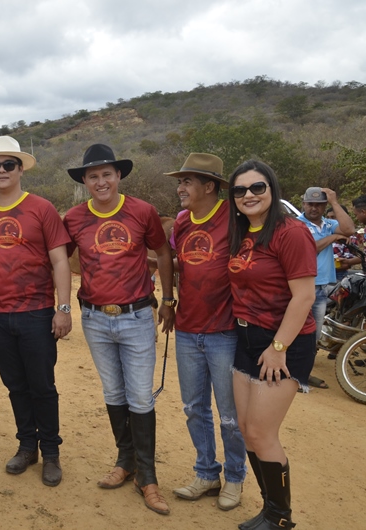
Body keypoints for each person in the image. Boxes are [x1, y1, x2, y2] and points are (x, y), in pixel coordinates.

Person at [63, 143, 175, 515]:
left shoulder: (142, 211)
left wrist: (168, 299)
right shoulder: (74, 218)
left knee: (140, 397)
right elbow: (58, 258)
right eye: (93, 176)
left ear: (119, 175)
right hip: (95, 318)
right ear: (84, 181)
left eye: (107, 174)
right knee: (113, 391)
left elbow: (162, 253)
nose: (101, 182)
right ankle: (125, 461)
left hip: (137, 316)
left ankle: (148, 476)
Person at [0, 136, 72, 487]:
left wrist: (63, 308)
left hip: (37, 311)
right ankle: (27, 446)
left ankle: (52, 452)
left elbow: (60, 261)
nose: (1, 170)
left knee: (42, 385)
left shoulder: (41, 209)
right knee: (15, 384)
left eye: (8, 164)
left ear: (20, 169)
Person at [227, 160, 317, 530]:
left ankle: (280, 518)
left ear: (272, 189)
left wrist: (278, 348)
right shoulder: (242, 232)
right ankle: (269, 509)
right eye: (240, 190)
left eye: (257, 187)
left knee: (262, 432)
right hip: (247, 338)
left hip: (283, 341)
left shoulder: (290, 232)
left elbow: (304, 296)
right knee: (247, 429)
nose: (248, 195)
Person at [164, 153, 247, 510]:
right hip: (187, 329)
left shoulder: (234, 218)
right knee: (194, 408)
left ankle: (235, 478)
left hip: (224, 331)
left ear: (209, 186)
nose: (180, 188)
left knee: (230, 415)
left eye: (187, 182)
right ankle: (206, 473)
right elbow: (178, 262)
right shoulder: (182, 222)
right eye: (180, 182)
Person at [297, 187, 355, 374]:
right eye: (310, 204)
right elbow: (309, 249)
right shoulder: (297, 224)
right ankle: (296, 373)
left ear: (324, 206)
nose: (314, 208)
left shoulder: (329, 223)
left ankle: (304, 373)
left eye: (319, 204)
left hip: (322, 287)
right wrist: (334, 237)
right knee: (298, 330)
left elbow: (349, 230)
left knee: (314, 333)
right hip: (302, 286)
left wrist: (334, 202)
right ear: (303, 204)